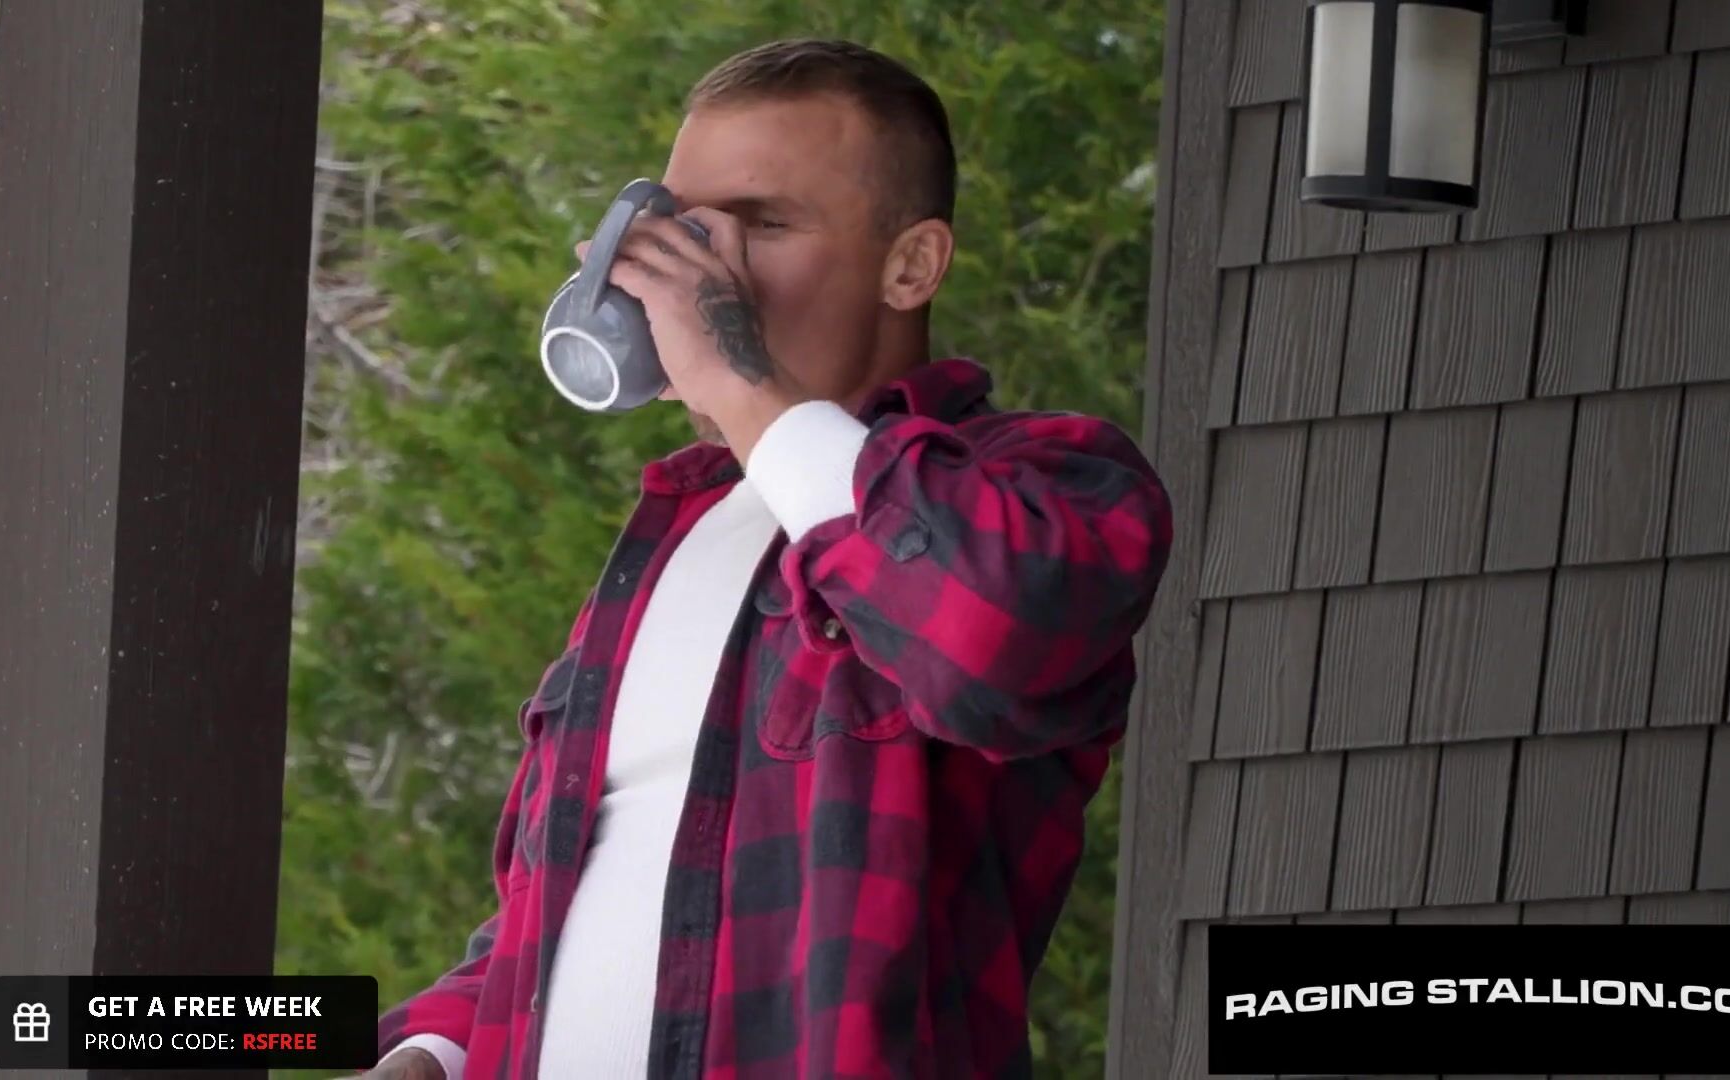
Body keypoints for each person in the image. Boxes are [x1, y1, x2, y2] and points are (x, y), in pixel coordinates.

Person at [357, 37, 1173, 1080]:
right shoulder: (671, 543)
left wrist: (738, 383)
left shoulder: (1041, 485)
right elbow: (557, 901)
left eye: (764, 225)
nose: (711, 270)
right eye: (687, 228)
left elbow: (992, 639)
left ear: (911, 266)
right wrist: (429, 1052)